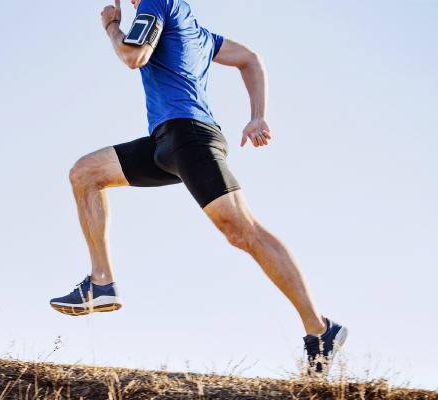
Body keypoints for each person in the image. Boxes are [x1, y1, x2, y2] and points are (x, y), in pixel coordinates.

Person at [50, 0, 348, 374]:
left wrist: (112, 27)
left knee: (242, 232)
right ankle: (101, 282)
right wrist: (256, 115)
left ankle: (320, 329)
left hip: (189, 137)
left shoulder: (157, 3)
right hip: (166, 142)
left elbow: (135, 55)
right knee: (85, 173)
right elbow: (250, 57)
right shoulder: (199, 34)